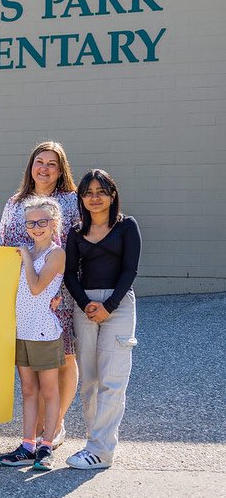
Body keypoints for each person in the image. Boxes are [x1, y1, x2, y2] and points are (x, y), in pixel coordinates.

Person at [0, 141, 79, 449]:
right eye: (39, 162)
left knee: (65, 357)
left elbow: (77, 246)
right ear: (30, 167)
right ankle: (39, 430)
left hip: (59, 290)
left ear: (61, 171)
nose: (44, 168)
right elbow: (7, 244)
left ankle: (55, 423)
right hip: (24, 294)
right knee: (34, 366)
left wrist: (64, 288)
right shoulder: (16, 202)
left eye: (52, 164)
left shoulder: (71, 201)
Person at [64, 169, 141, 470]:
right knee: (90, 382)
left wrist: (109, 305)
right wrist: (86, 304)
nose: (94, 197)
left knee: (113, 380)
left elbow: (130, 271)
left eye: (101, 191)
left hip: (119, 306)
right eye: (88, 192)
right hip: (85, 306)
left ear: (112, 195)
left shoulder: (127, 227)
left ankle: (101, 450)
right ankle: (95, 441)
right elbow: (70, 273)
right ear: (81, 198)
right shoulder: (76, 231)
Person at [0, 197, 66, 471]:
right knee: (27, 390)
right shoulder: (27, 252)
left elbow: (36, 288)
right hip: (21, 330)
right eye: (31, 223)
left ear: (54, 224)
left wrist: (24, 255)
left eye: (42, 222)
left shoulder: (55, 254)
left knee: (49, 391)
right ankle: (27, 445)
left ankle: (46, 445)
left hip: (44, 331)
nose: (36, 227)